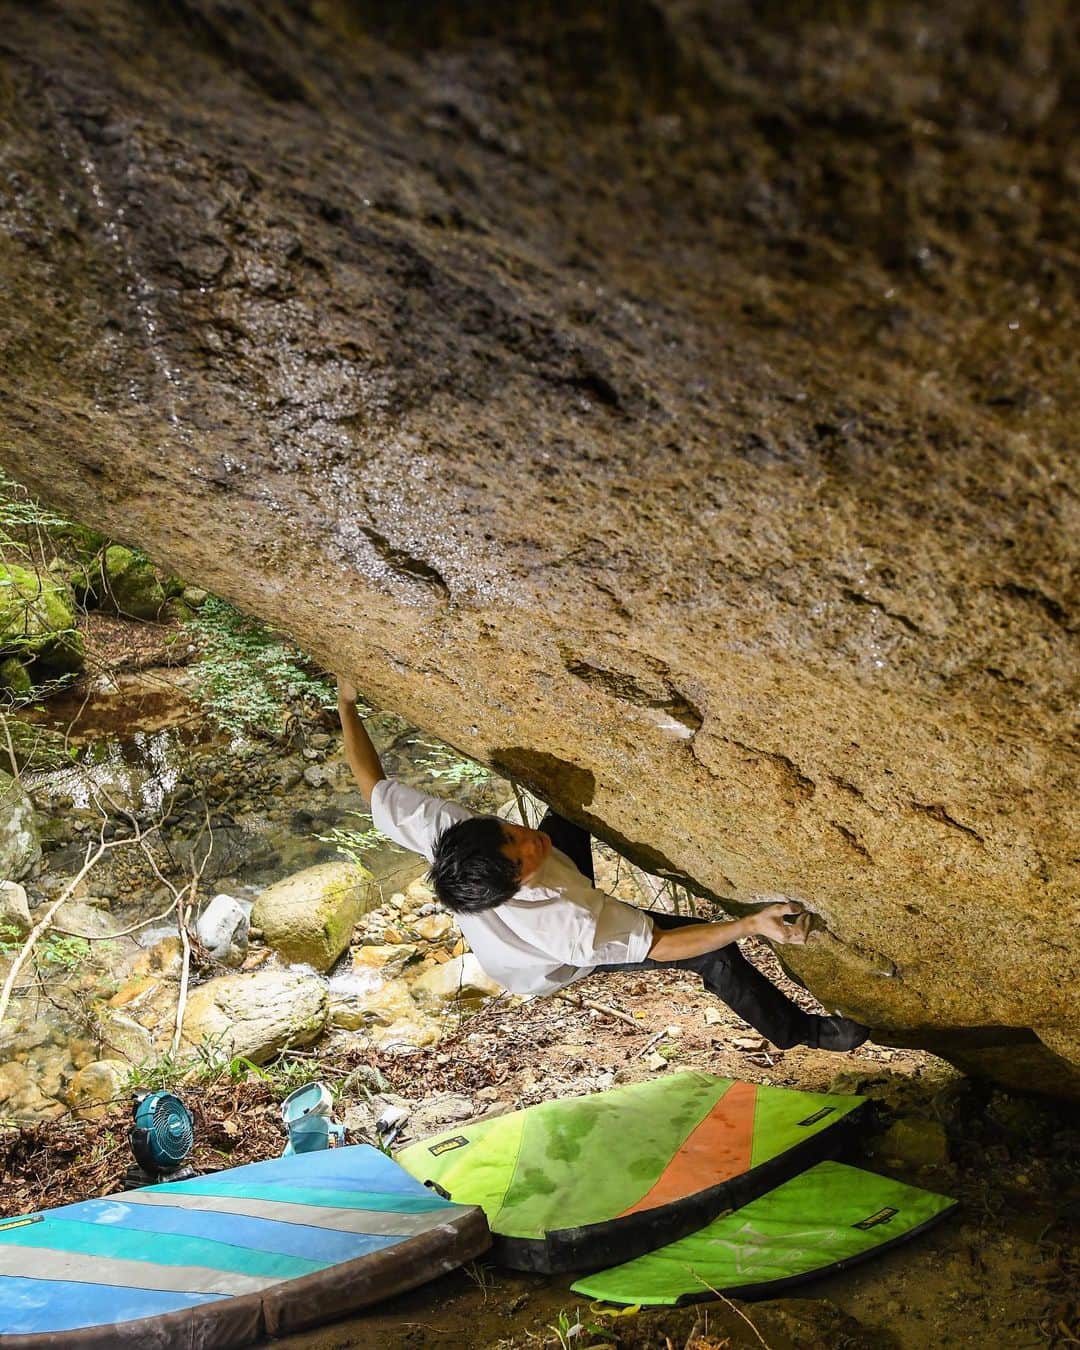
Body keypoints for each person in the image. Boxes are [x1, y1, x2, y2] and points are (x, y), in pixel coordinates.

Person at [336, 678, 869, 1052]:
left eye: (512, 833)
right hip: (549, 963)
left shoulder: (452, 836)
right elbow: (661, 943)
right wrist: (750, 924)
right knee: (716, 956)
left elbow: (371, 786)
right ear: (511, 888)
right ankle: (805, 1033)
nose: (530, 842)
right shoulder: (567, 925)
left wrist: (346, 701)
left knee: (569, 812)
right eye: (521, 857)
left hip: (546, 899)